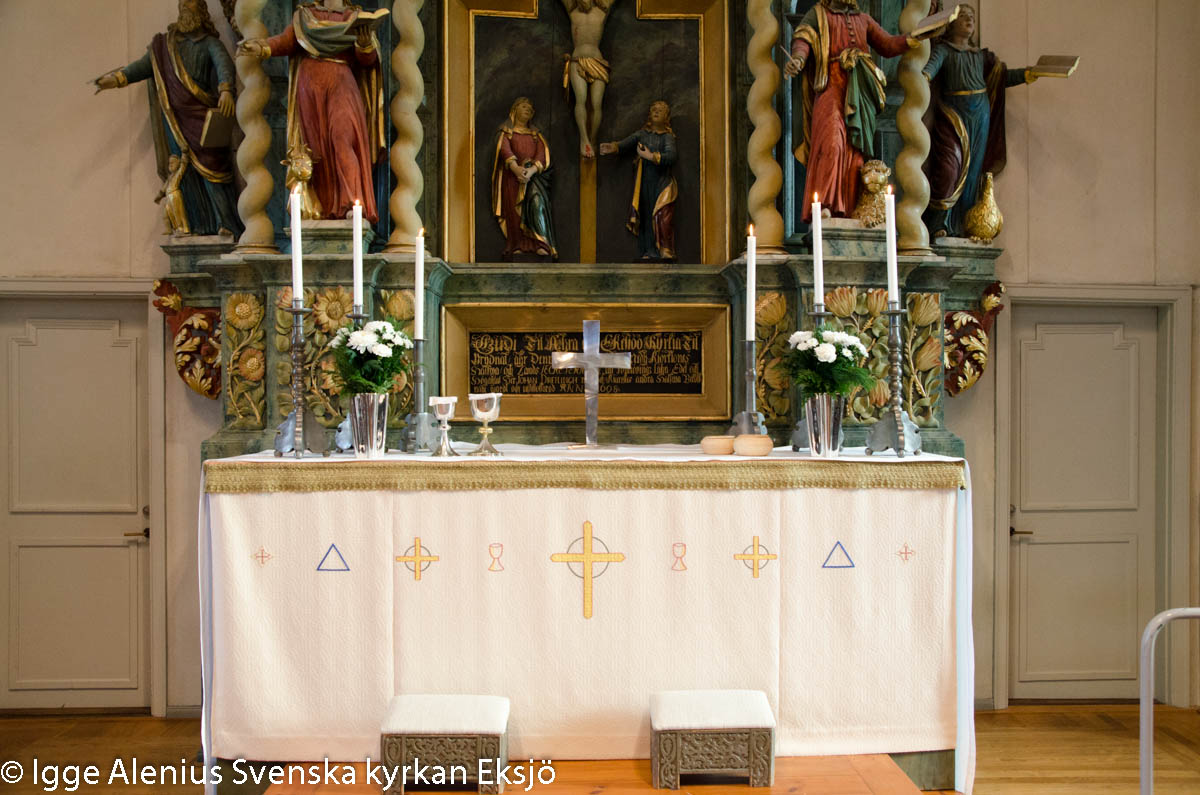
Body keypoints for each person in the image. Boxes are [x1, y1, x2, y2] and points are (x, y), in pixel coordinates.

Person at [92, 0, 242, 237]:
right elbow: (142, 67)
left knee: (214, 169)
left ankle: (227, 224)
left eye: (190, 6)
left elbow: (224, 65)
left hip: (202, 119)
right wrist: (116, 79)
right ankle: (196, 226)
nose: (185, 11)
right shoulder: (164, 46)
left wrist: (225, 89)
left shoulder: (209, 43)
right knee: (182, 172)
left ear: (202, 12)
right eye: (182, 6)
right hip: (175, 121)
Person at [238, 0, 385, 223]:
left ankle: (352, 204)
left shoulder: (355, 17)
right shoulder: (306, 15)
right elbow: (287, 41)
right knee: (316, 149)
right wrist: (262, 47)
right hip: (310, 87)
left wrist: (365, 46)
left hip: (342, 83)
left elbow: (368, 62)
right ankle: (320, 207)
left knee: (343, 139)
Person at [783, 0, 921, 222]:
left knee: (856, 152)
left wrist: (915, 36)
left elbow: (888, 44)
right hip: (831, 86)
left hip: (859, 90)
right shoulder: (818, 13)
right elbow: (803, 38)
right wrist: (798, 58)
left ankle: (850, 209)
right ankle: (825, 205)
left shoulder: (863, 19)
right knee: (832, 143)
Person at [923, 4, 1037, 238]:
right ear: (951, 23)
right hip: (953, 117)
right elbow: (928, 71)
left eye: (972, 17)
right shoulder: (944, 51)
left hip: (980, 115)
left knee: (972, 174)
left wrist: (1028, 74)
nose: (969, 21)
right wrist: (922, 76)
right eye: (964, 17)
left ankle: (962, 225)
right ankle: (937, 223)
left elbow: (1001, 77)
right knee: (949, 169)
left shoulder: (981, 56)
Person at [599, 101, 677, 261]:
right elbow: (626, 143)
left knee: (662, 215)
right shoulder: (642, 135)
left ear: (666, 117)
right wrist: (614, 147)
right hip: (644, 183)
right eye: (654, 110)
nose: (656, 112)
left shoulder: (667, 137)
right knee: (647, 216)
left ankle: (665, 248)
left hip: (662, 182)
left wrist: (650, 156)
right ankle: (649, 250)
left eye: (660, 111)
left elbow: (671, 156)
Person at [491, 98, 557, 260]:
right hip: (513, 180)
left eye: (530, 107)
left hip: (534, 180)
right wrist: (516, 169)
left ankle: (540, 243)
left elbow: (543, 155)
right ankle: (517, 244)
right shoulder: (507, 133)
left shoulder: (536, 135)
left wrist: (531, 171)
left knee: (537, 204)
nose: (528, 109)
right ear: (514, 110)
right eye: (523, 106)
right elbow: (504, 150)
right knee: (514, 212)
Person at [560, 0, 615, 158]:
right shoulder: (572, 12)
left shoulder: (602, 11)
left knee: (597, 103)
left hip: (597, 61)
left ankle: (593, 138)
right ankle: (583, 139)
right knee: (581, 99)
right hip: (577, 60)